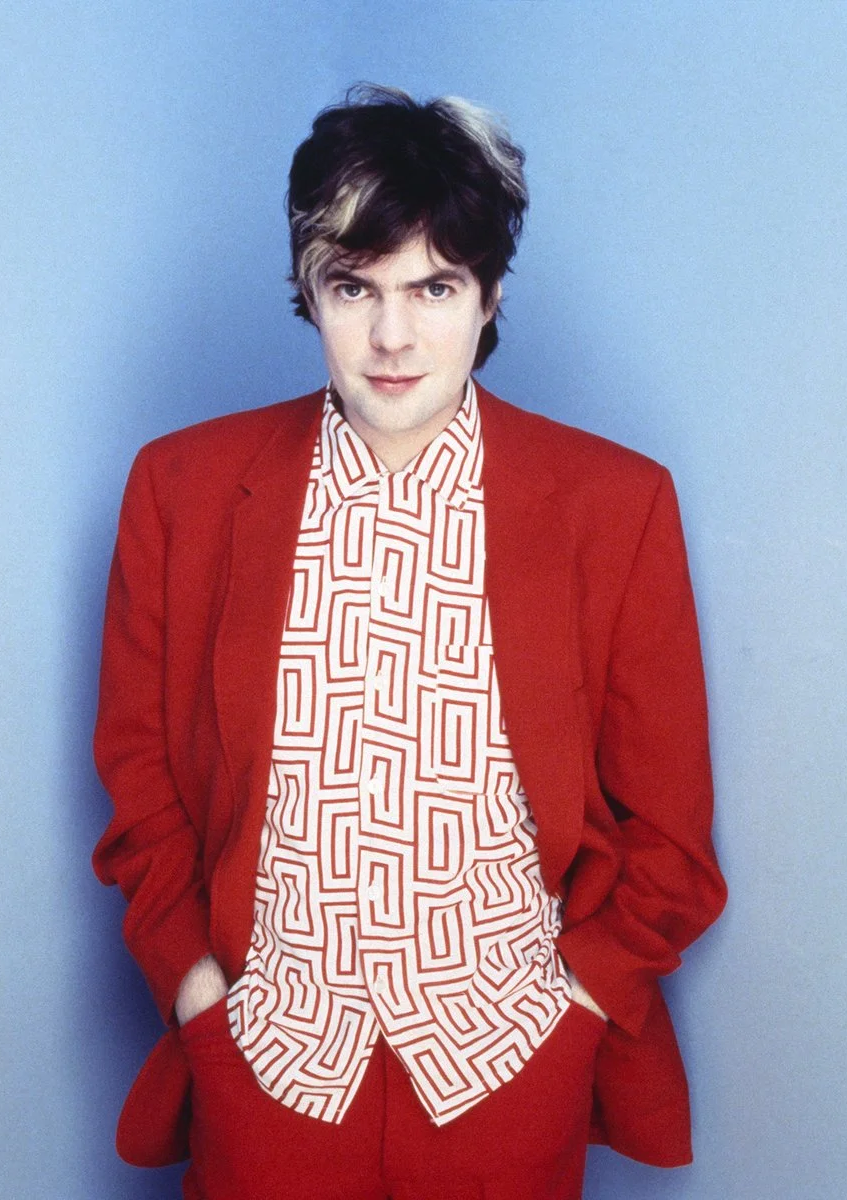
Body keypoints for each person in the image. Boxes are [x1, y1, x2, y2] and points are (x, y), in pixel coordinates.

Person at [93, 84, 726, 1200]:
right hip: (266, 1061)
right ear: (308, 290)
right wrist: (198, 993)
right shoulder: (182, 490)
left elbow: (670, 833)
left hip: (507, 1064)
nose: (392, 337)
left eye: (434, 287)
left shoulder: (613, 504)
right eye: (355, 287)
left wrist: (573, 1011)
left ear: (489, 295)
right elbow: (139, 778)